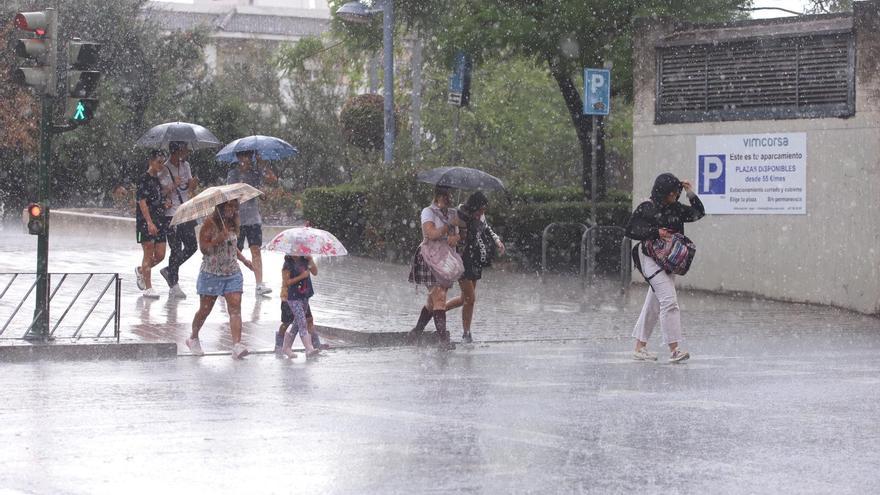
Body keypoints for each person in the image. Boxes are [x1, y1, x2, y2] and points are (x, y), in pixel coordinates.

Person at [625, 173, 705, 363]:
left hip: (669, 261)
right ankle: (674, 349)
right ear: (662, 192)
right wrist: (655, 232)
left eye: (676, 193)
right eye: (671, 193)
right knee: (669, 301)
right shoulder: (647, 207)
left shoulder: (675, 208)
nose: (674, 196)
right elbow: (630, 230)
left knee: (653, 304)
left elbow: (698, 213)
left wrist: (690, 192)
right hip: (650, 260)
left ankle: (639, 347)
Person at [185, 199, 255, 359]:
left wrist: (244, 260)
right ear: (221, 207)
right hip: (211, 273)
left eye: (234, 207)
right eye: (229, 206)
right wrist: (218, 239)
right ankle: (193, 338)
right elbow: (203, 249)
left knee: (235, 308)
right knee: (205, 310)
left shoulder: (232, 223)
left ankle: (237, 345)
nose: (233, 210)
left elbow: (232, 245)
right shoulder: (209, 223)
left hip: (232, 272)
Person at [407, 185, 463, 350]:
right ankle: (443, 340)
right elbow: (431, 234)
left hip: (445, 258)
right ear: (437, 196)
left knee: (433, 303)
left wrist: (456, 237)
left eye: (449, 195)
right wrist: (448, 226)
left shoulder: (453, 213)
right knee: (439, 298)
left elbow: (458, 234)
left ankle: (415, 333)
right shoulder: (428, 212)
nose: (447, 198)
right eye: (444, 195)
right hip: (429, 257)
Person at [445, 191, 505, 343]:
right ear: (473, 207)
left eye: (484, 210)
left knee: (464, 298)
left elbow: (487, 229)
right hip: (461, 259)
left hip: (476, 258)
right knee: (470, 298)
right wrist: (458, 229)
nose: (482, 213)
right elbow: (450, 233)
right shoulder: (460, 215)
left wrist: (497, 241)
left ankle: (438, 310)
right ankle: (466, 333)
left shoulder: (481, 216)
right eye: (480, 210)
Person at [226, 151, 277, 296]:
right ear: (239, 157)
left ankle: (259, 284)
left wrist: (262, 164)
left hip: (254, 218)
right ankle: (228, 278)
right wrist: (241, 188)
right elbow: (230, 195)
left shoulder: (256, 173)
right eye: (243, 157)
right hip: (238, 219)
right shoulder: (233, 174)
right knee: (236, 250)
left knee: (256, 250)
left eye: (248, 157)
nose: (246, 160)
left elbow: (272, 180)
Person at [159, 141, 199, 299]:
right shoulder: (164, 168)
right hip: (171, 214)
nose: (187, 153)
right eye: (184, 150)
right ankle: (174, 283)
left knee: (192, 246)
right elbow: (160, 192)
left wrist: (192, 184)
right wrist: (172, 185)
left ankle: (169, 269)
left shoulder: (186, 165)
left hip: (185, 211)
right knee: (175, 248)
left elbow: (189, 188)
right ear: (176, 151)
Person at [134, 150, 171, 299]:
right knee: (148, 253)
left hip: (160, 220)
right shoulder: (143, 179)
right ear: (151, 162)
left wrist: (165, 204)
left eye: (162, 162)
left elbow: (157, 200)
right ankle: (148, 288)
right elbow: (142, 202)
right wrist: (149, 222)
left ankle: (141, 270)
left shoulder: (157, 180)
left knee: (161, 255)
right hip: (145, 222)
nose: (161, 165)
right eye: (158, 162)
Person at [275, 256, 328, 357]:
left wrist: (311, 259)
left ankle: (286, 347)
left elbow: (315, 272)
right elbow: (287, 282)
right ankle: (309, 348)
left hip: (304, 296)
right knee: (299, 322)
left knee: (297, 324)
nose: (298, 253)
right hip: (292, 298)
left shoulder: (305, 260)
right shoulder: (288, 264)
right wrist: (302, 276)